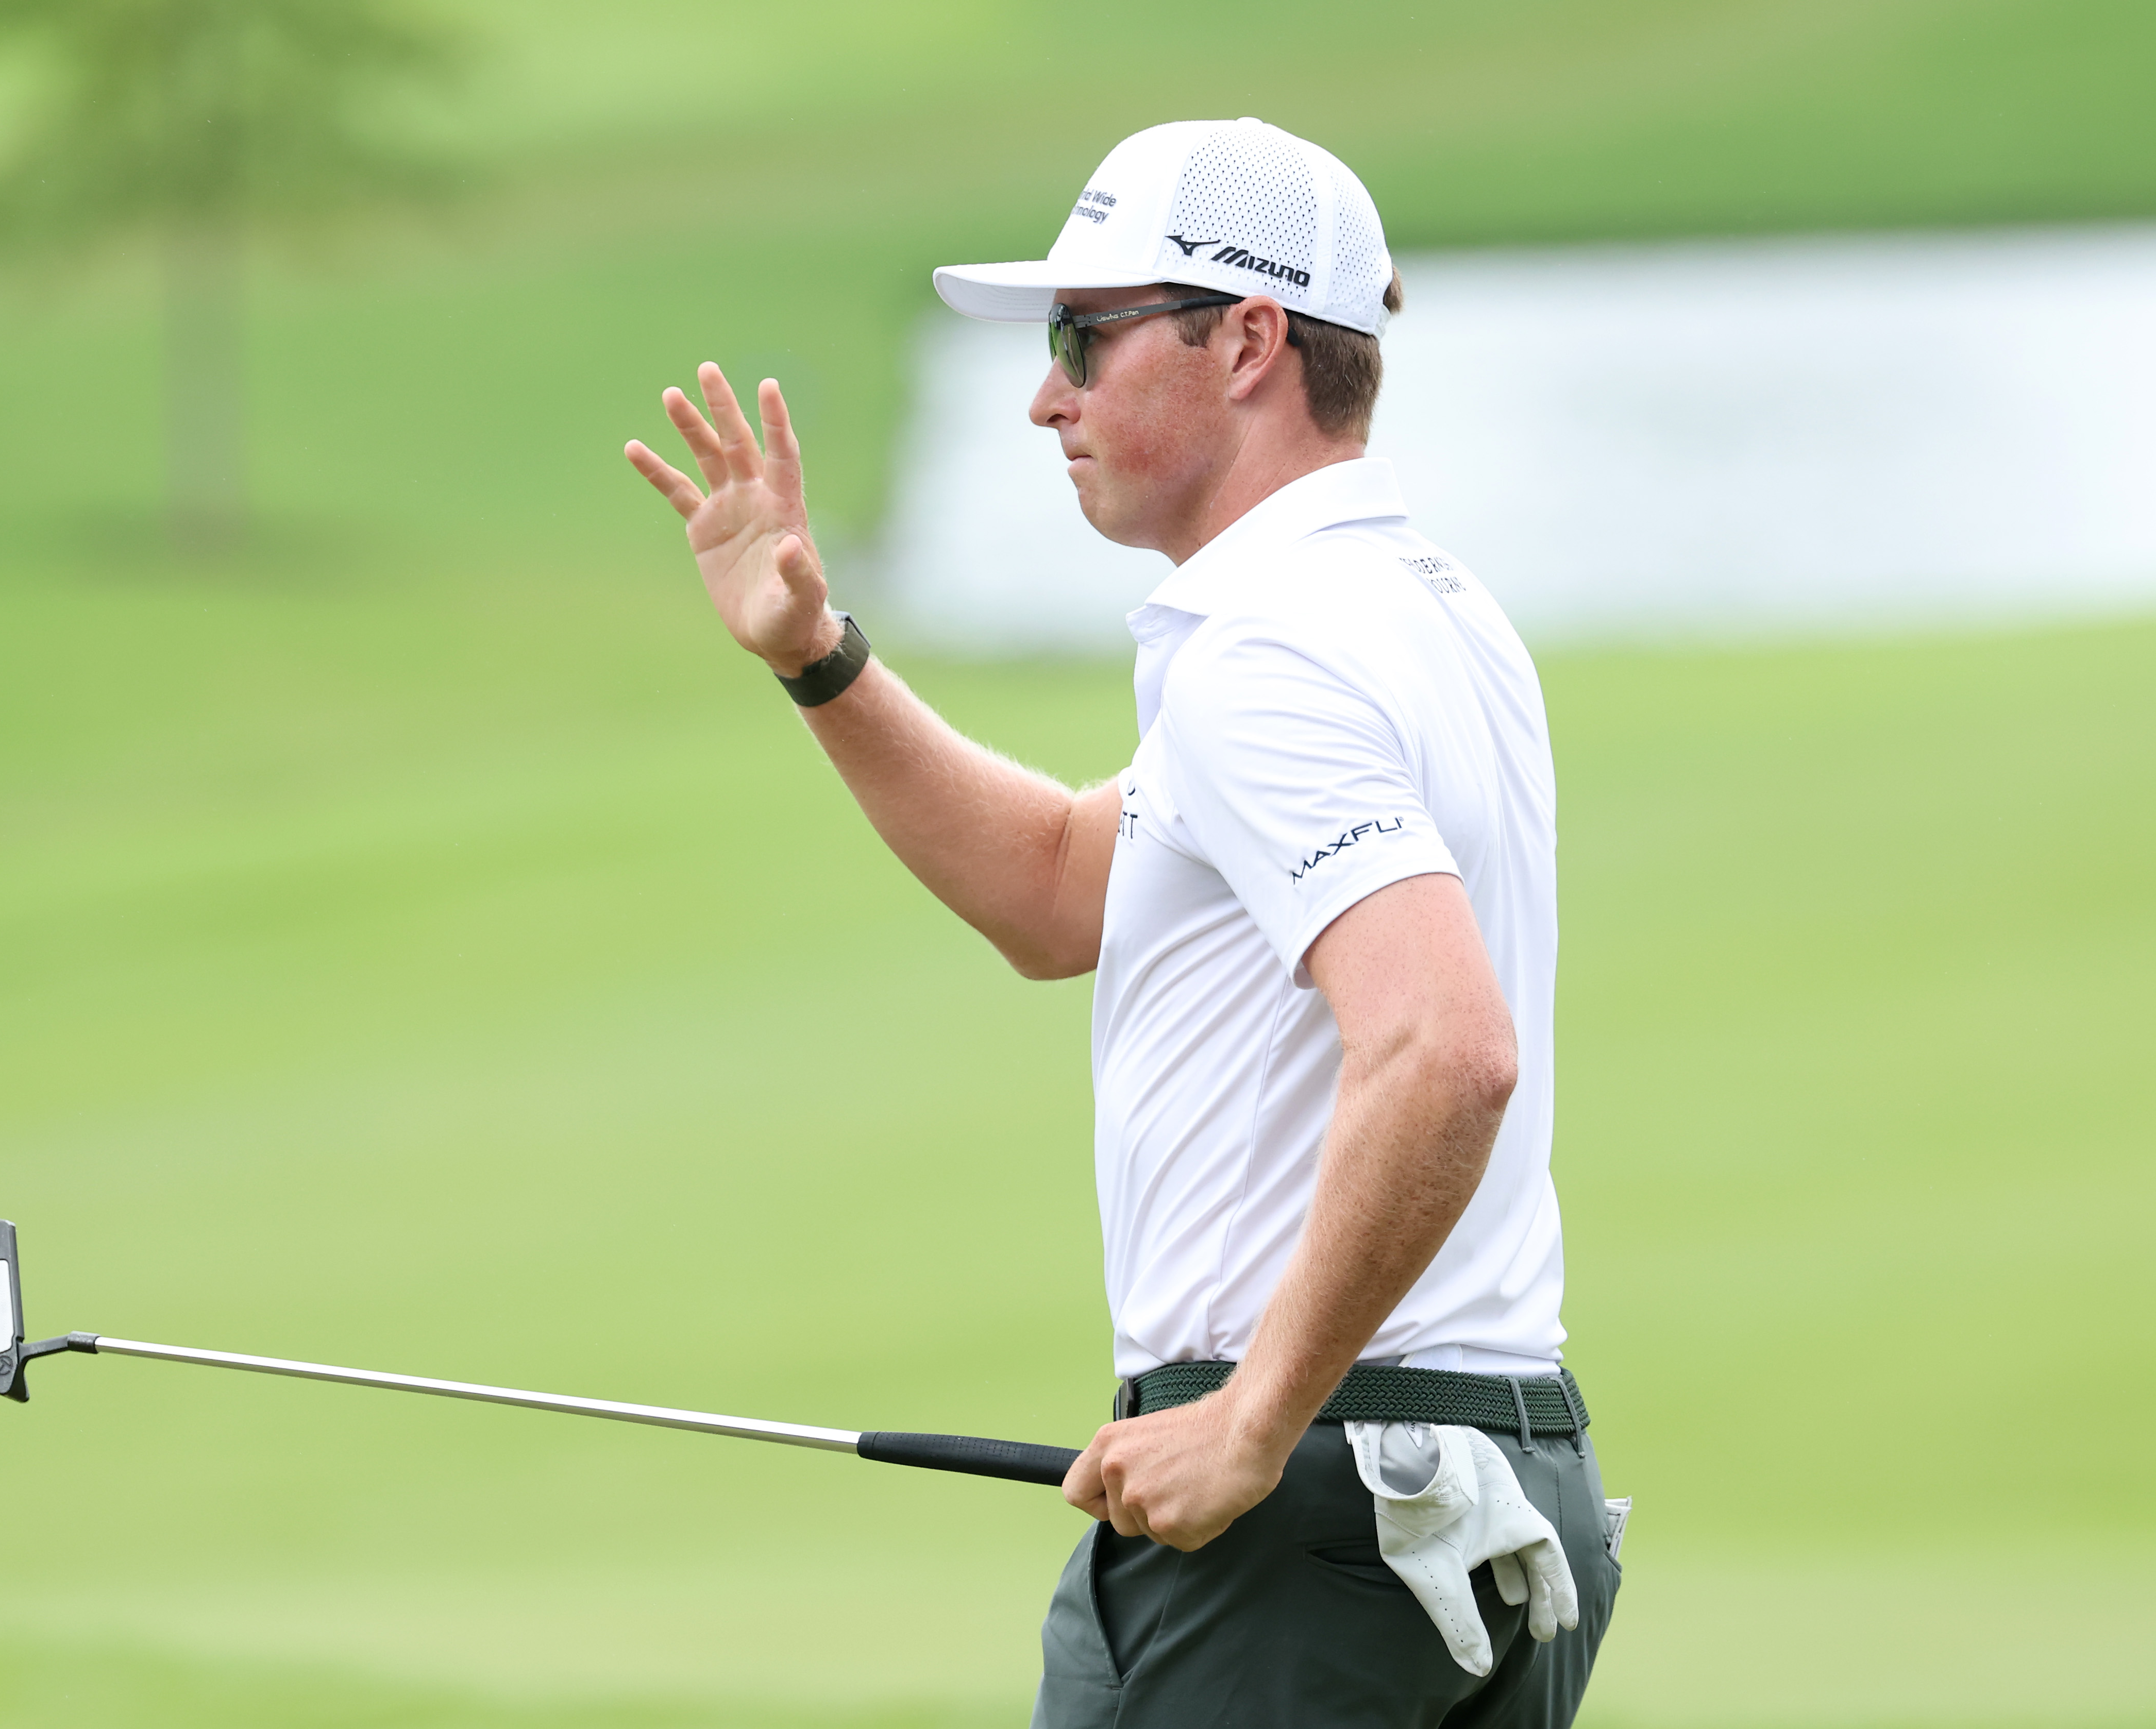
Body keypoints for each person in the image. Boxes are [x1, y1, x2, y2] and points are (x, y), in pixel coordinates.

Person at [625, 117, 1620, 1728]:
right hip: (1462, 1476)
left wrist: (1250, 1418)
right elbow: (1058, 889)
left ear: (1246, 342)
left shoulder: (1268, 651)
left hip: (1308, 1510)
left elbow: (1446, 1047)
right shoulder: (1411, 607)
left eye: (1083, 337)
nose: (1046, 396)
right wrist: (818, 656)